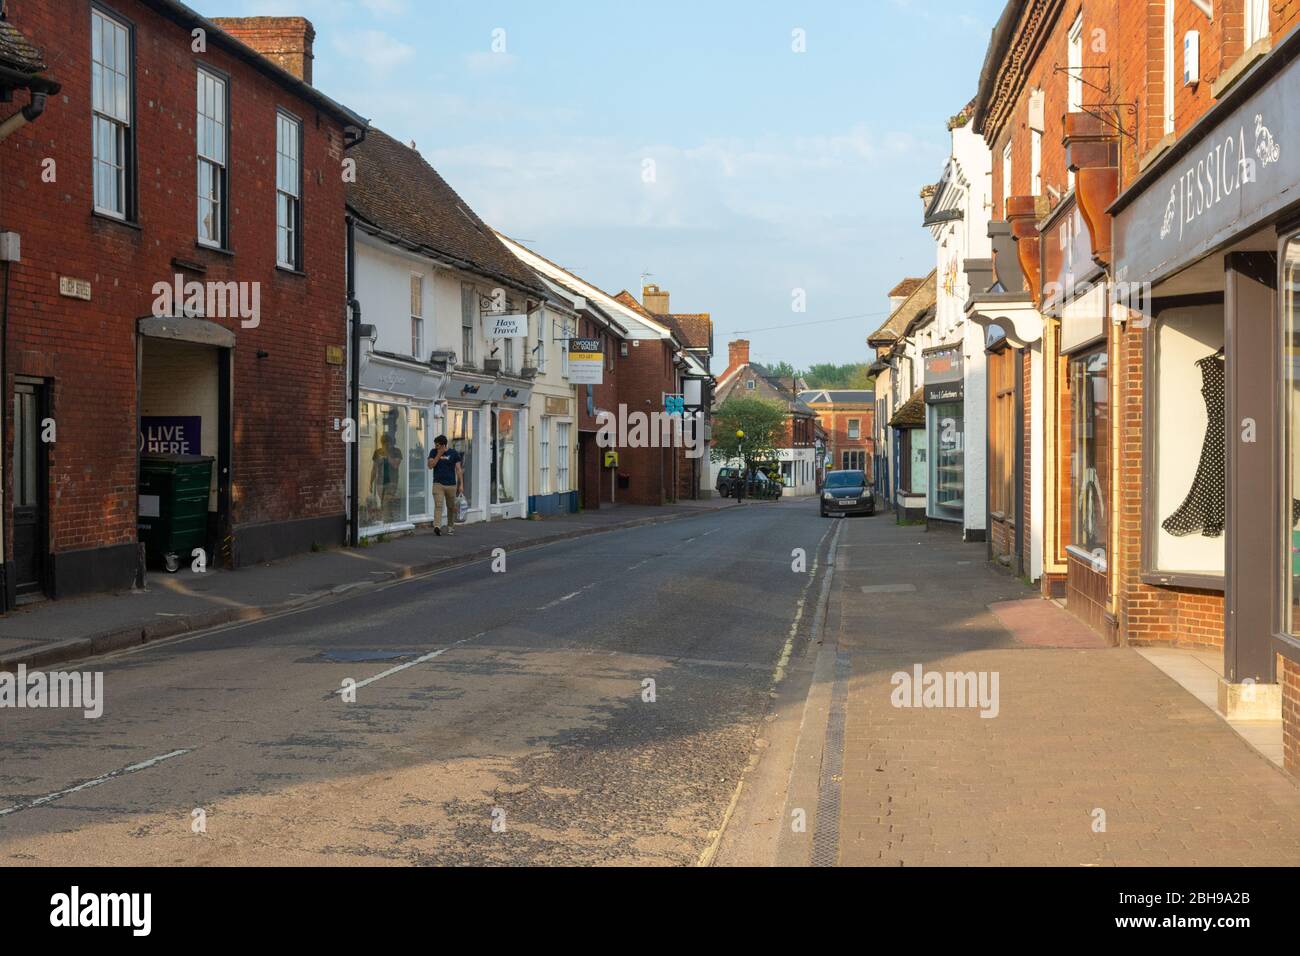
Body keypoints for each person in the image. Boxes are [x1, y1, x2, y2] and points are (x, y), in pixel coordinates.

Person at [427, 434, 464, 535]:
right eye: (435, 445)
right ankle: (437, 526)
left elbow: (458, 469)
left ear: (444, 445)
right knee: (438, 505)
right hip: (438, 484)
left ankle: (450, 526)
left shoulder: (453, 453)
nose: (436, 447)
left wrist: (461, 485)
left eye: (438, 445)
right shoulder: (433, 452)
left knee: (450, 507)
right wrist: (439, 454)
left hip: (451, 485)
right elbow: (430, 466)